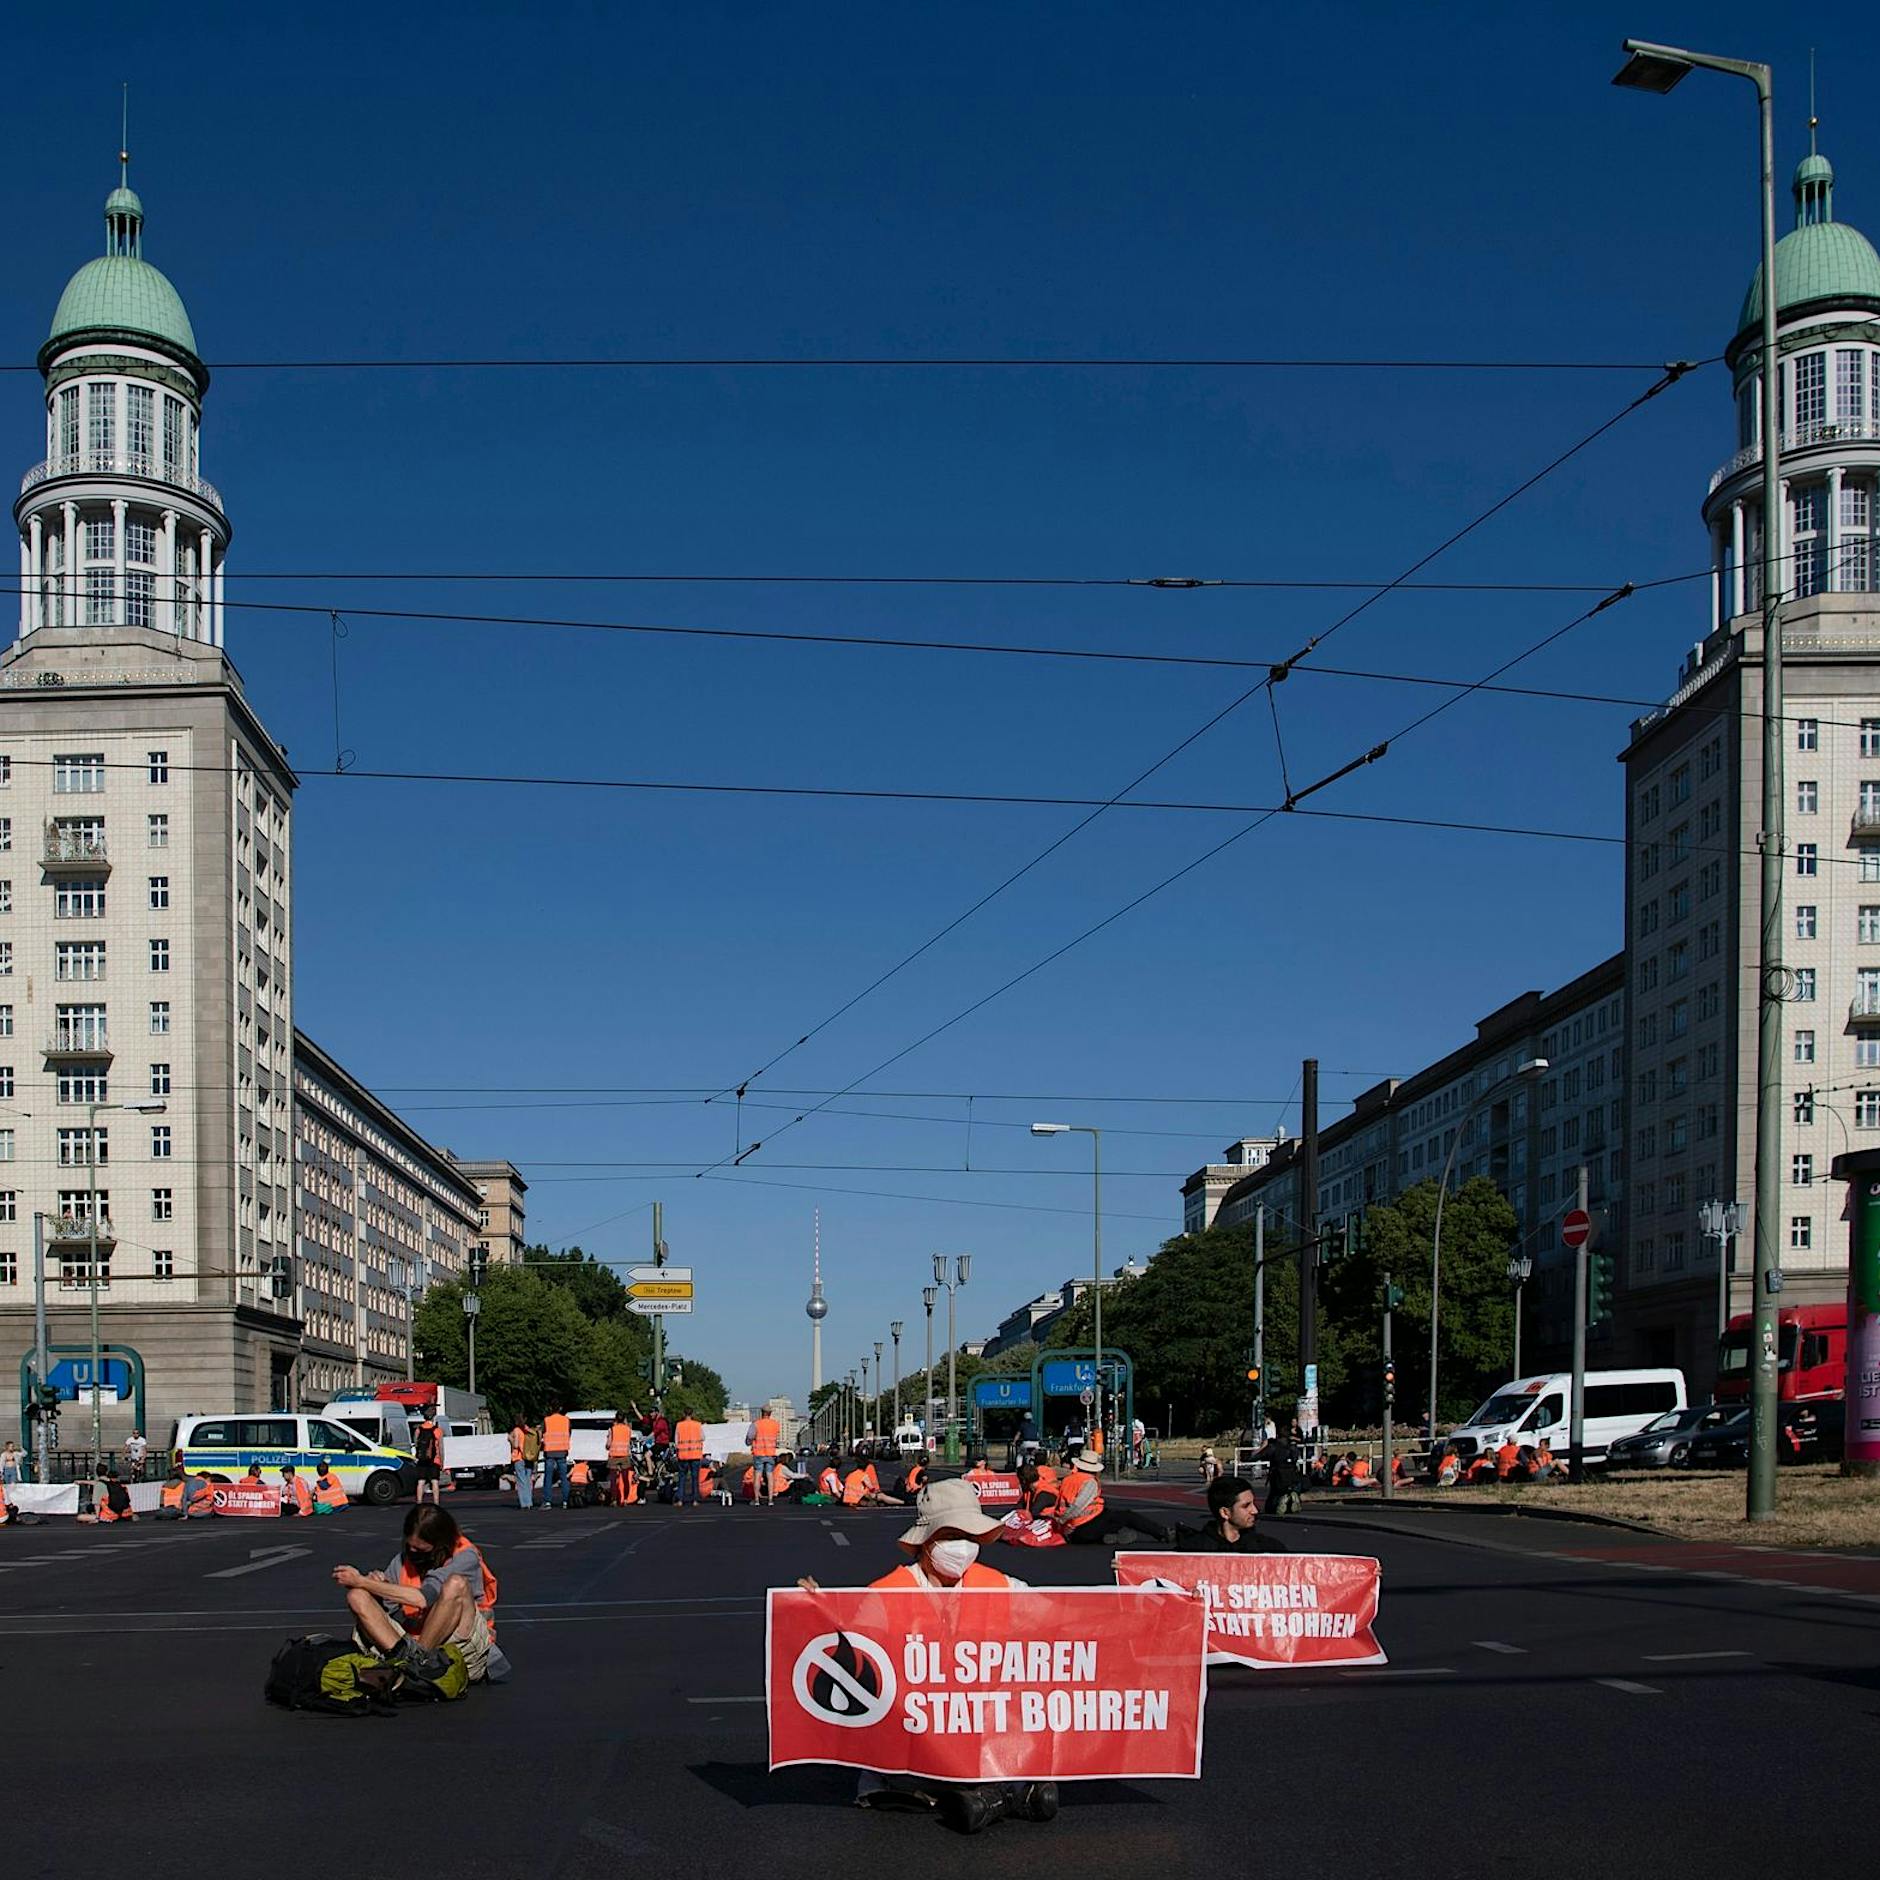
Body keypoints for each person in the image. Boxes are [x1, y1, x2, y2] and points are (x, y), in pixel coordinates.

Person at [799, 1479, 1052, 1833]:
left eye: (971, 1537)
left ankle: (986, 1796)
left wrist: (1126, 1604)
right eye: (951, 1536)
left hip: (974, 1731)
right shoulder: (888, 1593)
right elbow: (849, 1647)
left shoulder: (998, 1585)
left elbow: (1059, 1620)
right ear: (926, 1542)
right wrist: (813, 1609)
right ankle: (999, 1797)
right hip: (911, 1740)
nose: (963, 1547)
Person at [333, 1504, 504, 1685]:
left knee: (456, 1584)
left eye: (421, 1550)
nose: (413, 1553)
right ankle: (410, 1667)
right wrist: (376, 1587)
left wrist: (362, 1581)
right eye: (410, 1547)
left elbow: (423, 1598)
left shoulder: (465, 1556)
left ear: (440, 1545)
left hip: (463, 1647)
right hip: (411, 1645)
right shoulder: (403, 1560)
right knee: (357, 1596)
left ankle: (413, 1666)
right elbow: (386, 1610)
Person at [1052, 1456, 1179, 1547]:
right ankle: (1163, 1533)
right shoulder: (1089, 1481)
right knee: (1127, 1516)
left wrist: (1061, 1522)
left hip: (1075, 1530)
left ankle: (1107, 1536)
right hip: (1086, 1521)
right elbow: (1078, 1506)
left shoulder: (1068, 1480)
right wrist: (1064, 1520)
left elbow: (1061, 1502)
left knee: (1108, 1521)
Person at [1182, 1474, 1287, 1553]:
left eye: (1253, 1504)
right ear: (1225, 1513)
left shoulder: (1270, 1549)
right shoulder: (1191, 1550)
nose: (1255, 1511)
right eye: (1246, 1506)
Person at [1255, 1429, 1302, 1516]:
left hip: (1277, 1473)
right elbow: (1296, 1457)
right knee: (1289, 1488)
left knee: (1274, 1494)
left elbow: (1260, 1455)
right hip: (1291, 1473)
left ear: (1277, 1436)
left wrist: (1249, 1458)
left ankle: (1278, 1503)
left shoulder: (1273, 1446)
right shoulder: (1292, 1447)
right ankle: (1290, 1498)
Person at [747, 1408, 782, 1508]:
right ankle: (770, 1499)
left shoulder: (756, 1424)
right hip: (770, 1453)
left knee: (757, 1475)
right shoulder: (775, 1424)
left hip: (758, 1453)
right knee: (770, 1475)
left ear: (761, 1413)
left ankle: (757, 1499)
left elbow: (750, 1436)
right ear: (770, 1413)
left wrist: (749, 1442)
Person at [540, 1405, 572, 1510]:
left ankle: (547, 1502)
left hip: (549, 1451)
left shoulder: (547, 1420)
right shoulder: (566, 1420)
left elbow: (541, 1434)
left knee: (548, 1477)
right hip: (562, 1450)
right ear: (560, 1408)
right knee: (563, 1477)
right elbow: (569, 1433)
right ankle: (566, 1501)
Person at [412, 1407, 445, 1505]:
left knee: (421, 1482)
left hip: (422, 1459)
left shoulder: (418, 1430)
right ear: (433, 1418)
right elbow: (441, 1448)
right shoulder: (437, 1430)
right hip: (434, 1460)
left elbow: (416, 1444)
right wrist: (442, 1463)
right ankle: (436, 1502)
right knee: (434, 1481)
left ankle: (419, 1502)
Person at [675, 1411, 706, 1507]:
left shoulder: (679, 1425)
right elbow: (703, 1437)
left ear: (684, 1414)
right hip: (695, 1455)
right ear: (692, 1414)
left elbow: (676, 1441)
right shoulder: (697, 1425)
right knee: (695, 1478)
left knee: (682, 1478)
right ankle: (695, 1500)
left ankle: (680, 1500)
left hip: (683, 1455)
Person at [510, 1420, 536, 1511]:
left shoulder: (517, 1430)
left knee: (521, 1481)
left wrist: (510, 1439)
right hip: (529, 1457)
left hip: (519, 1457)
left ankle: (524, 1504)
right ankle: (530, 1502)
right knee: (528, 1480)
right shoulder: (527, 1429)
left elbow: (516, 1445)